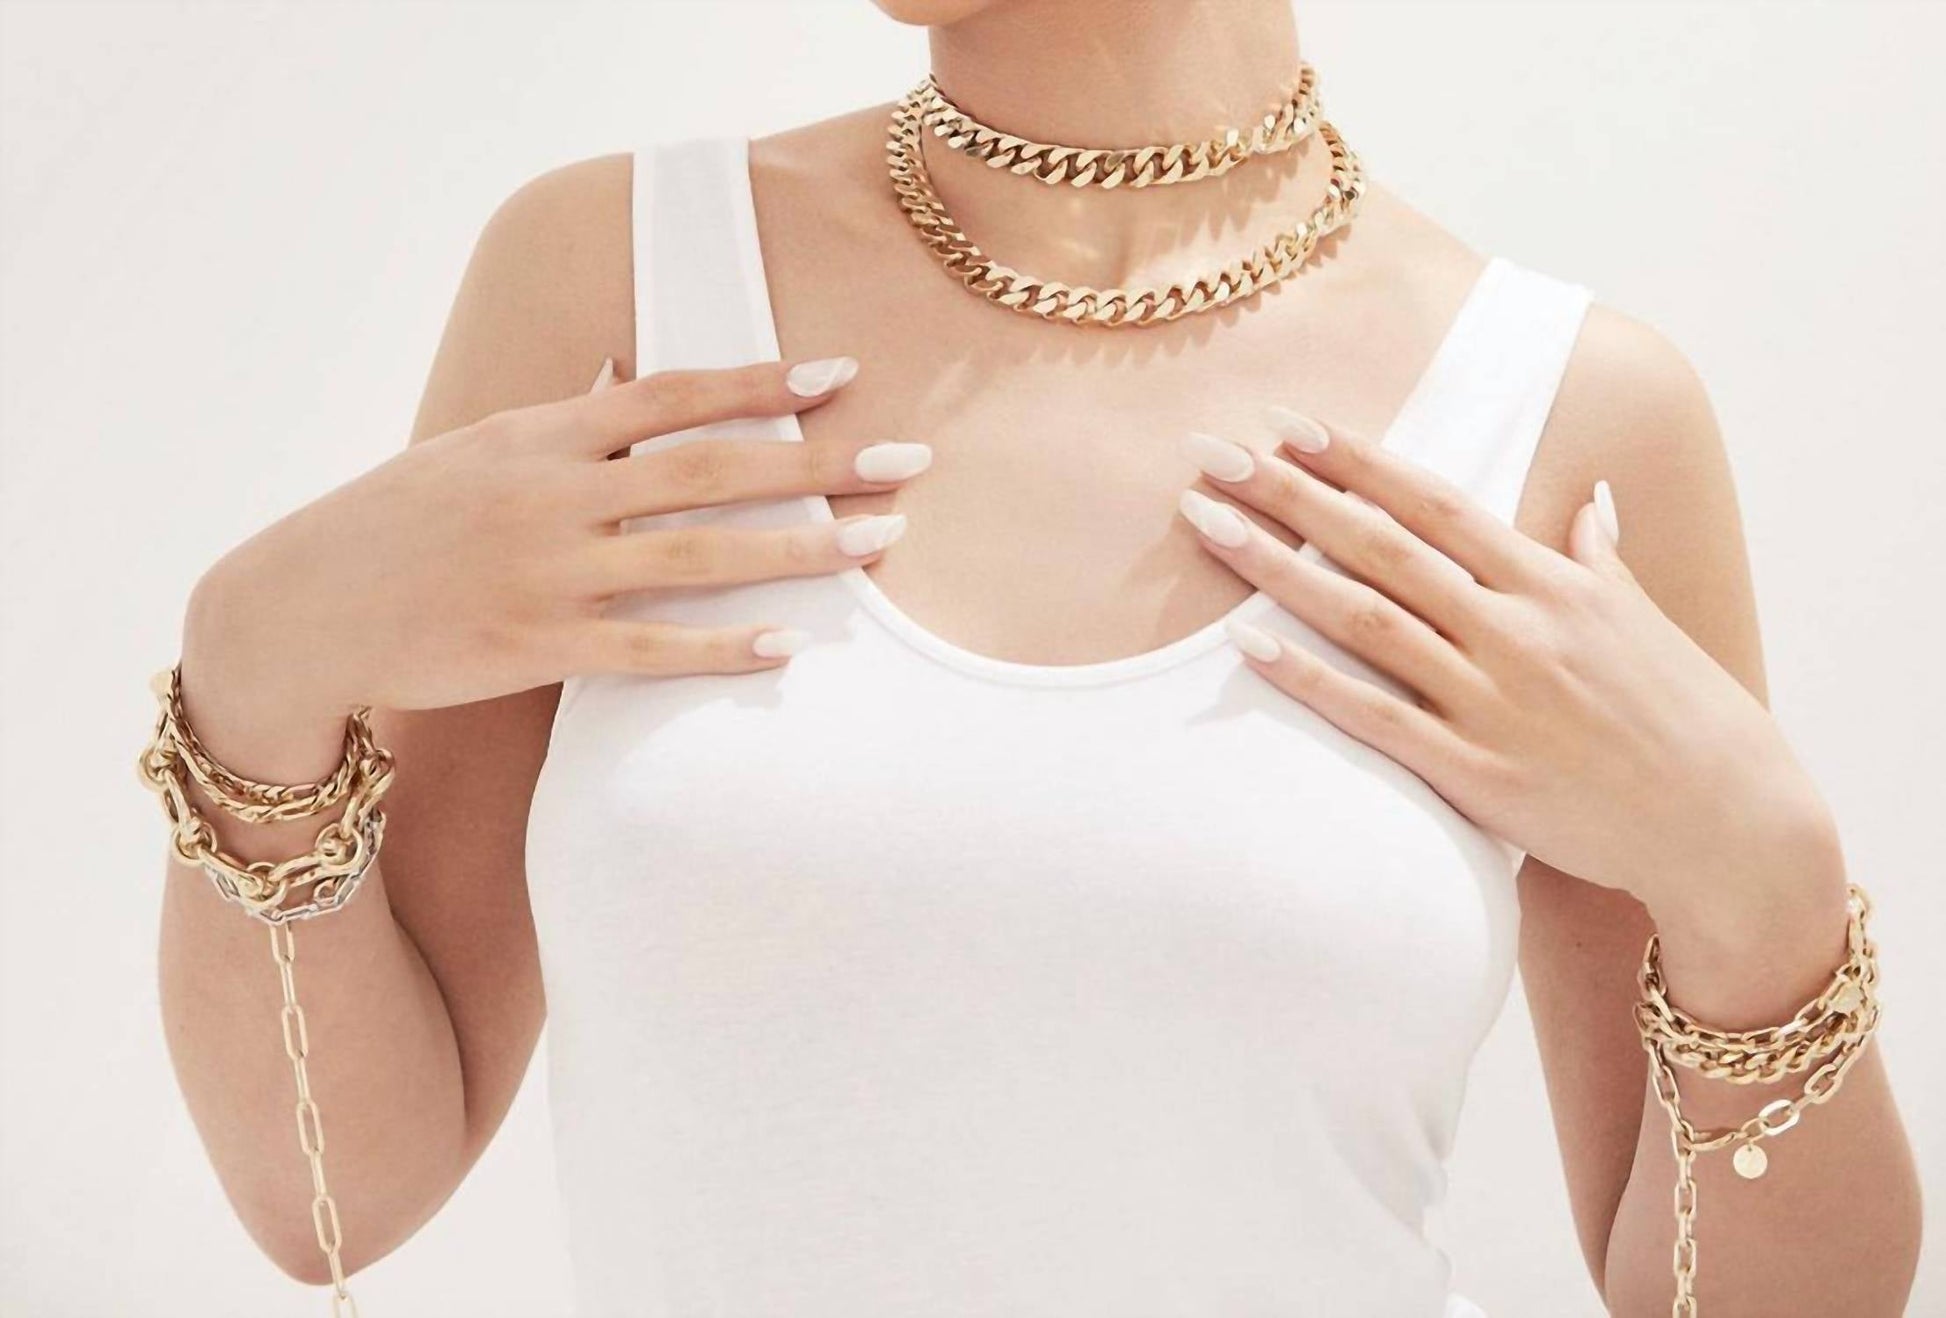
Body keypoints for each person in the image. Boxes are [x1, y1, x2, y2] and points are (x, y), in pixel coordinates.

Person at [153, 1, 1922, 1314]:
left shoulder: (1565, 414)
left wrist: (1761, 885)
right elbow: (334, 1199)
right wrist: (255, 667)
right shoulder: (614, 289)